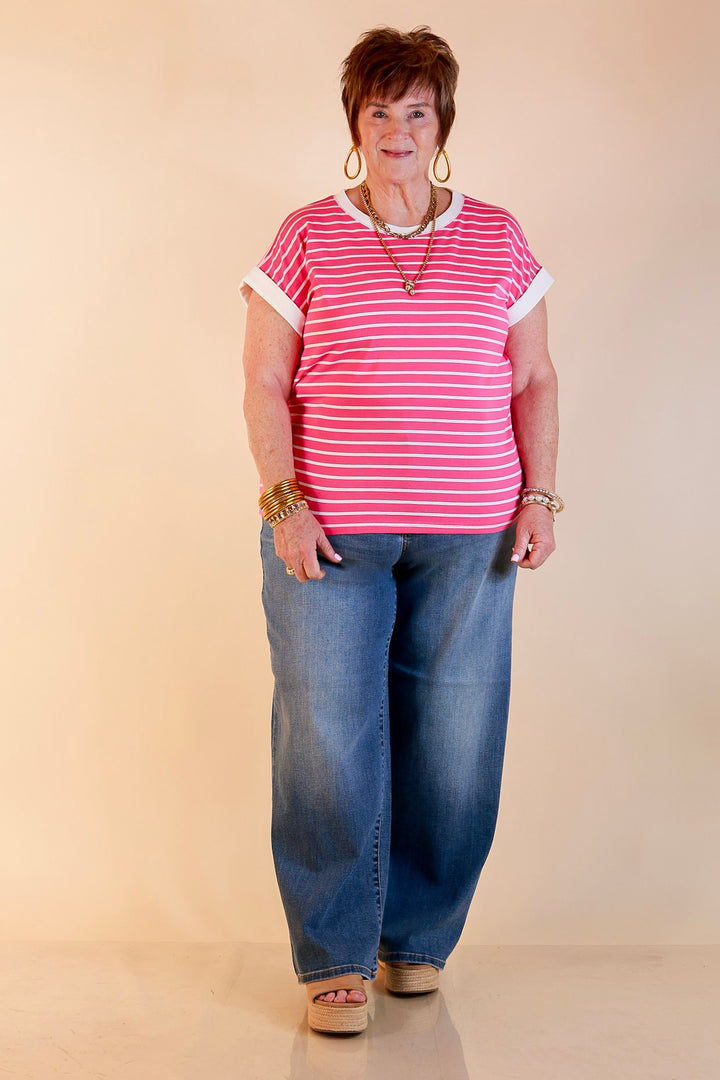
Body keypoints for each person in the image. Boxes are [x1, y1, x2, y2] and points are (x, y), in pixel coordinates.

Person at [240, 25, 562, 1035]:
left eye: (415, 110)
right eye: (378, 110)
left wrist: (540, 496)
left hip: (474, 540)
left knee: (454, 745)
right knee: (329, 739)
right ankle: (336, 953)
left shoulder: (499, 237)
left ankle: (415, 941)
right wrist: (284, 501)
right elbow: (262, 380)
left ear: (441, 124)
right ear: (355, 123)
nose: (396, 128)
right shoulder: (307, 234)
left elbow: (536, 377)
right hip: (329, 538)